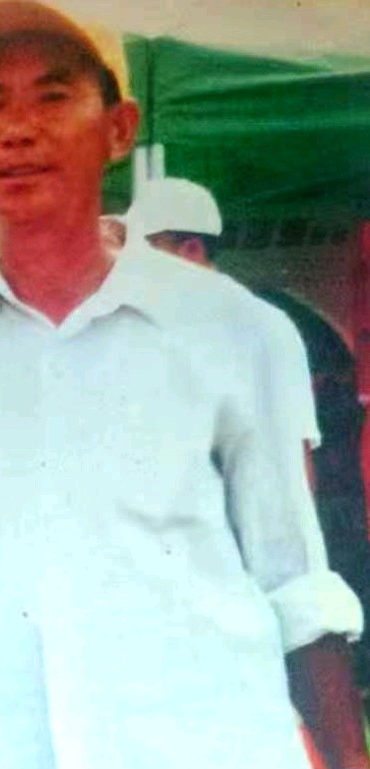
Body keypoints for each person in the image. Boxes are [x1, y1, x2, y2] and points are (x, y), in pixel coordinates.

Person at [0, 2, 370, 769]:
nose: (19, 130)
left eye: (53, 97)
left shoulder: (235, 331)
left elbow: (293, 576)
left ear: (119, 130)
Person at [132, 176, 370, 631]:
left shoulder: (258, 328)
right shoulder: (172, 331)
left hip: (252, 578)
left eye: (146, 254)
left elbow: (295, 472)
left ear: (190, 252)